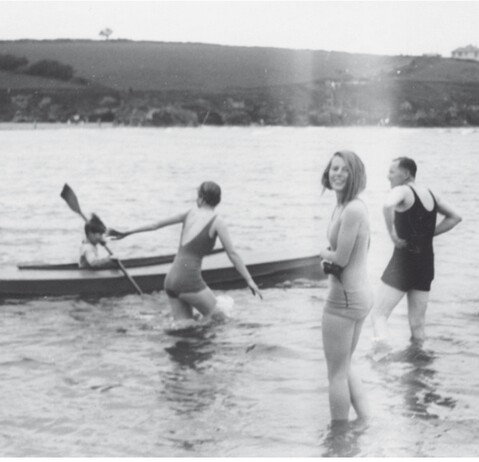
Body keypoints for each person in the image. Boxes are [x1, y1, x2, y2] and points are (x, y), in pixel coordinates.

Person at [109, 181, 262, 323]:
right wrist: (249, 280)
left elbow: (155, 225)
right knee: (219, 319)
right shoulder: (218, 222)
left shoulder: (189, 213)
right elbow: (232, 254)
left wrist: (126, 232)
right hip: (189, 280)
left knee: (183, 328)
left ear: (202, 199)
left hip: (170, 280)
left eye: (198, 196)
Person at [371, 157, 462, 347]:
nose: (388, 176)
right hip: (426, 264)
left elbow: (387, 205)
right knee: (418, 326)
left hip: (404, 263)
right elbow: (456, 217)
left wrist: (392, 235)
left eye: (392, 172)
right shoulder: (432, 194)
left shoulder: (402, 190)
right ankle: (420, 369)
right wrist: (428, 234)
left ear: (405, 174)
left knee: (379, 315)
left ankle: (383, 362)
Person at [319, 150, 372, 429]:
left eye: (344, 169)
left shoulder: (352, 209)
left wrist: (322, 253)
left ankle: (338, 438)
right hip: (356, 296)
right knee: (345, 364)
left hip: (344, 301)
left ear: (355, 175)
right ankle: (366, 421)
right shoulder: (344, 205)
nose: (337, 173)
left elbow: (340, 258)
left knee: (336, 373)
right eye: (333, 168)